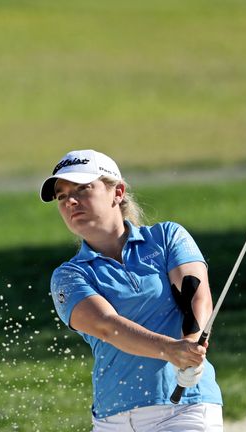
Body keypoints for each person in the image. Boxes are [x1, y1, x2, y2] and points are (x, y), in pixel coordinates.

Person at [40, 149, 223, 431]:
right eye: (62, 196)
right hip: (111, 418)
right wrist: (171, 350)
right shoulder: (69, 275)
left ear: (118, 192)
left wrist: (192, 346)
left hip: (186, 408)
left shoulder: (166, 237)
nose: (70, 201)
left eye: (82, 189)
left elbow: (195, 293)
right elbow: (106, 326)